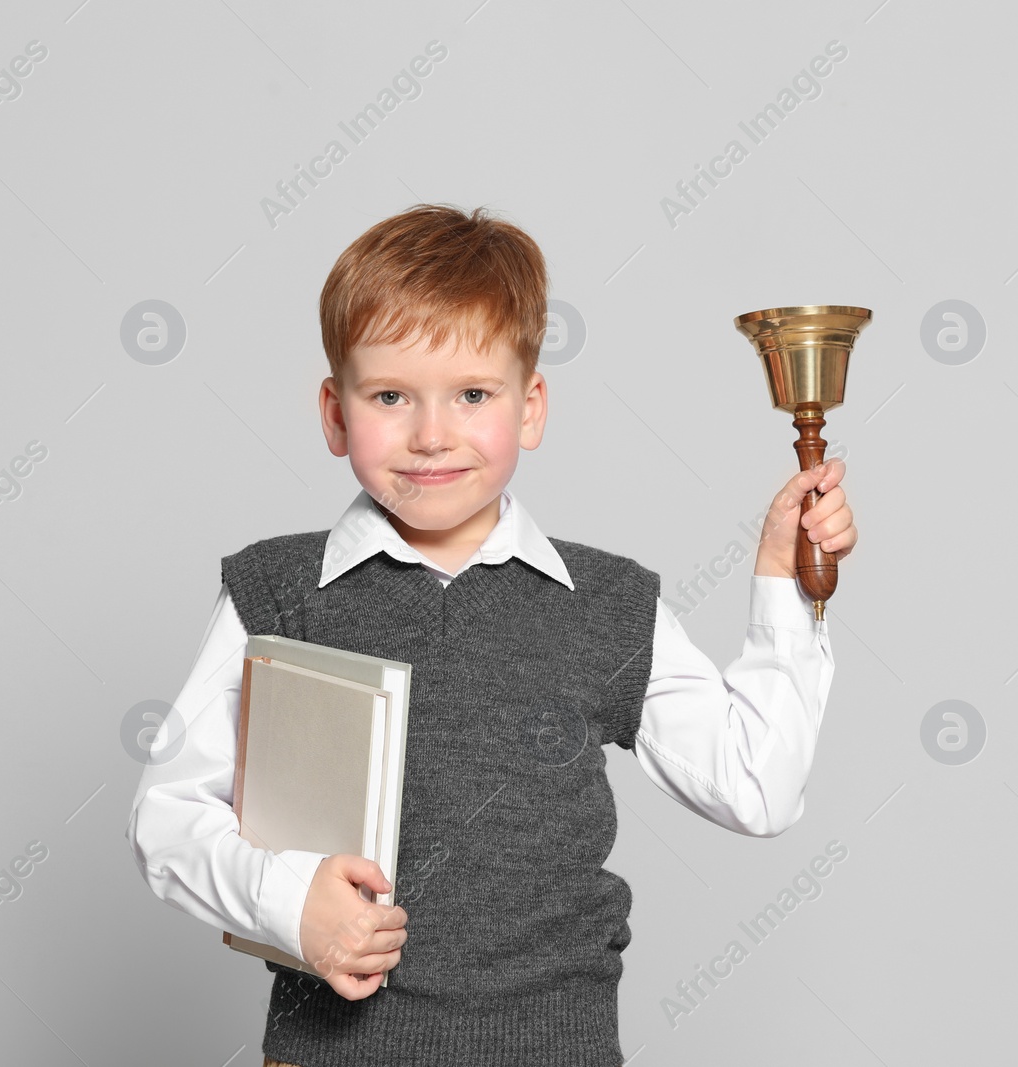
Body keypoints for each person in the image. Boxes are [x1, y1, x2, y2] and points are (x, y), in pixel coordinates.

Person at [124, 203, 858, 1067]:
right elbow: (167, 817)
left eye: (473, 395)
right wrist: (288, 902)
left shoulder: (607, 605)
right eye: (390, 395)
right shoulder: (279, 593)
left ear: (531, 406)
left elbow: (757, 788)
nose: (432, 434)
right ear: (334, 412)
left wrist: (781, 583)